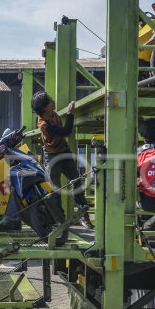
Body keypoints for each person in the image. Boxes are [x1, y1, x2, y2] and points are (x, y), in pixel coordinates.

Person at [31, 91, 93, 229]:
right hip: (53, 156)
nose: (53, 101)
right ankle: (60, 220)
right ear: (45, 108)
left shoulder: (52, 114)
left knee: (76, 182)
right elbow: (66, 131)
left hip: (63, 151)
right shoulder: (44, 124)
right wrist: (70, 113)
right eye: (50, 101)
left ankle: (84, 217)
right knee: (55, 191)